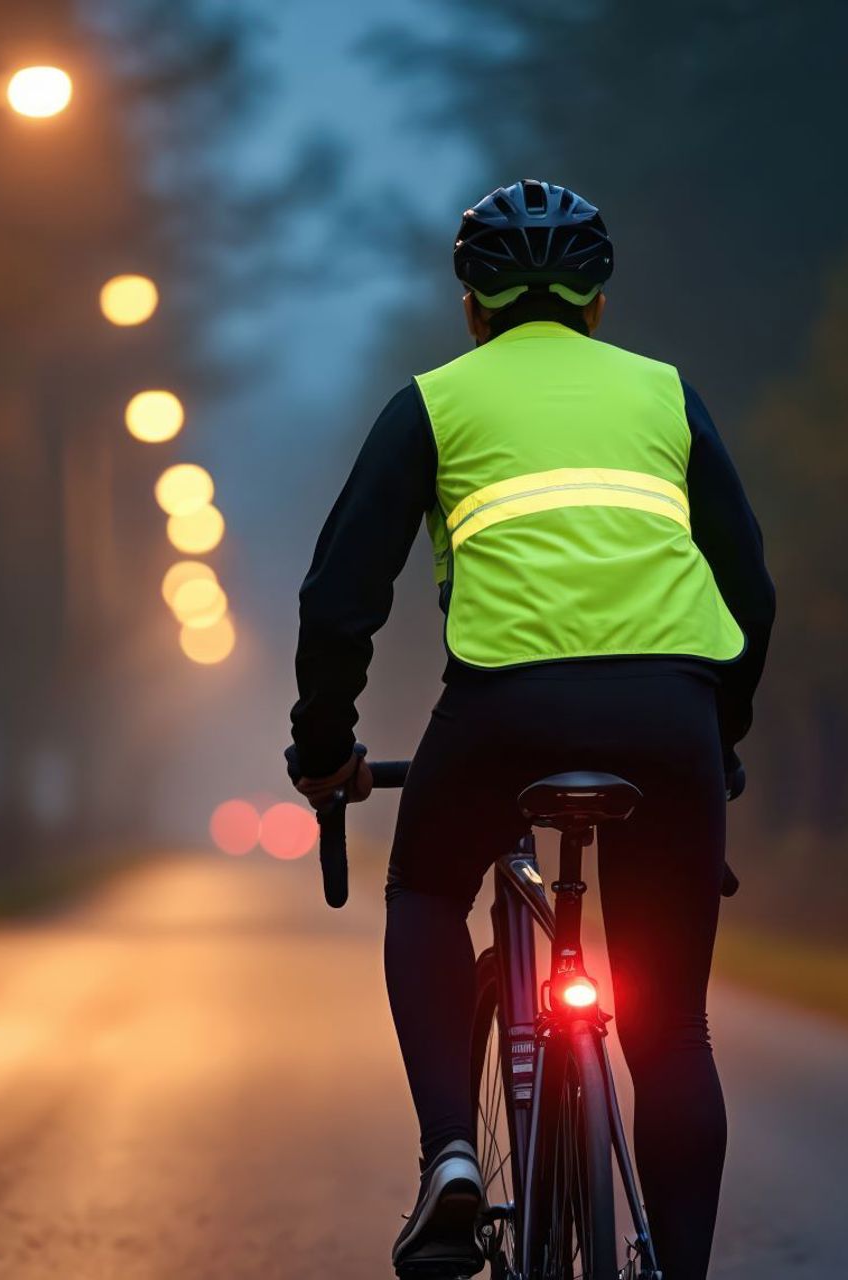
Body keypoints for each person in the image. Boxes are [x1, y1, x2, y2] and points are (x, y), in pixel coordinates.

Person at [288, 179, 775, 1278]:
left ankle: (452, 1154)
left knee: (422, 892)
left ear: (471, 304)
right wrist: (721, 739)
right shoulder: (666, 396)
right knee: (672, 1029)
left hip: (504, 707)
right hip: (669, 716)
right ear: (597, 303)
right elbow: (747, 586)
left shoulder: (434, 402)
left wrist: (325, 749)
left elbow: (338, 599)